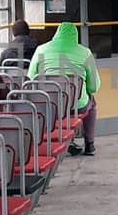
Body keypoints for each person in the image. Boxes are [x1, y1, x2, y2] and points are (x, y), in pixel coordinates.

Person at [28, 20, 102, 156]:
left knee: (59, 105)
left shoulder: (41, 50)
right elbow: (93, 87)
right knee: (92, 103)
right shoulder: (85, 53)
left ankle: (69, 141)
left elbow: (31, 79)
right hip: (77, 105)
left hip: (49, 104)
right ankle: (89, 144)